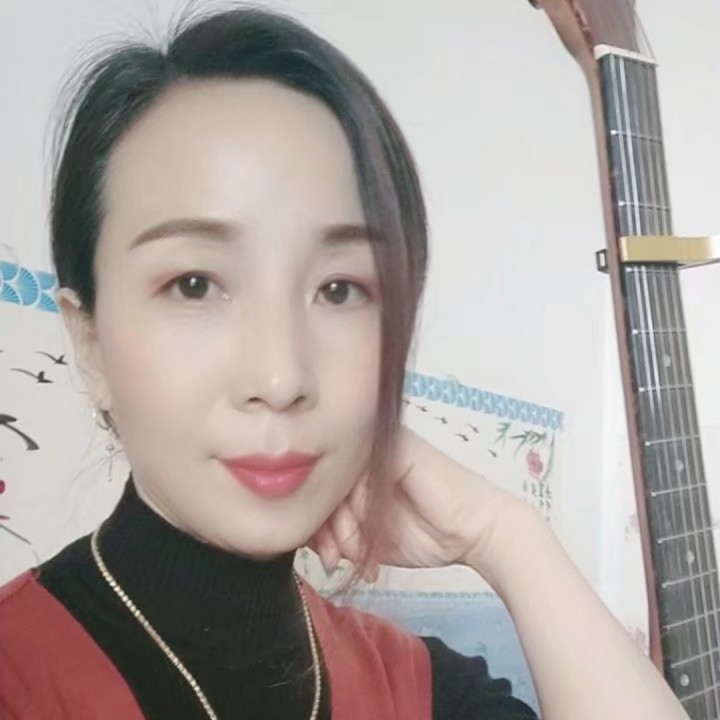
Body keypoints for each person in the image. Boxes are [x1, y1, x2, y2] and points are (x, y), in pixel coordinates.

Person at [0, 6, 689, 720]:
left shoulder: (417, 685)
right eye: (195, 284)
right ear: (90, 342)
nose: (281, 378)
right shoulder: (19, 675)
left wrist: (507, 536)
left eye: (339, 289)